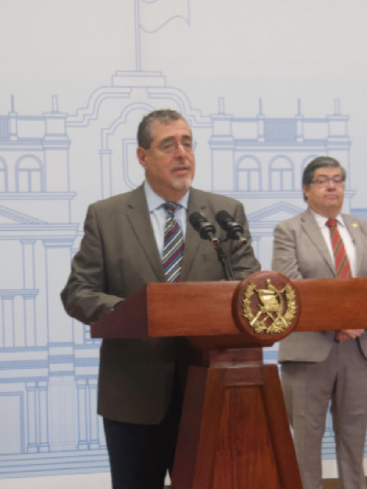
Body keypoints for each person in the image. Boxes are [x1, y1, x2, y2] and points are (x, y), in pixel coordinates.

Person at [61, 109, 261, 489]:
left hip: (211, 389)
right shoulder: (107, 216)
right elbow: (78, 293)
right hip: (134, 395)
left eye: (187, 143)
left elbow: (248, 286)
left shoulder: (223, 213)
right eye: (168, 145)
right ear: (142, 157)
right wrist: (129, 312)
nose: (181, 153)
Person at [272, 156, 367, 489]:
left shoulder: (363, 229)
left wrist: (359, 323)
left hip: (360, 348)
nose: (332, 186)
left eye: (338, 180)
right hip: (310, 350)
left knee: (353, 443)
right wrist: (336, 324)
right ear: (306, 189)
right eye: (323, 180)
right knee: (306, 446)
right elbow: (290, 286)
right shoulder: (288, 230)